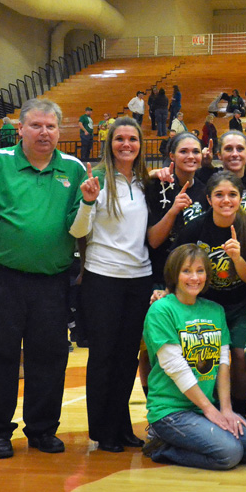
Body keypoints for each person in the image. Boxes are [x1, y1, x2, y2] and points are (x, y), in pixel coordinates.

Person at [0, 98, 98, 459]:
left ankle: (42, 430)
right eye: (35, 125)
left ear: (59, 130)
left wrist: (88, 205)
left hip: (51, 281)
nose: (43, 132)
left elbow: (77, 227)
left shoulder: (74, 168)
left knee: (49, 357)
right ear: (20, 128)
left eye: (50, 126)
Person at [71, 117, 153, 452]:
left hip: (139, 279)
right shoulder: (98, 180)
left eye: (132, 139)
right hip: (103, 278)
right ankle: (103, 431)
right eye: (119, 139)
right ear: (110, 143)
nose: (126, 145)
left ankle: (121, 425)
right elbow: (77, 231)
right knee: (103, 356)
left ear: (140, 144)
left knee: (127, 358)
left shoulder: (145, 182)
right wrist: (88, 201)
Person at [142, 244, 246, 470]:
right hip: (172, 412)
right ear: (174, 274)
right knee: (230, 454)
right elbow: (176, 367)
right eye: (186, 271)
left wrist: (226, 409)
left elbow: (223, 363)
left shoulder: (215, 310)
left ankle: (196, 433)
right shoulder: (161, 310)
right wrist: (210, 410)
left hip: (203, 407)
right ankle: (160, 444)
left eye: (200, 271)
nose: (194, 277)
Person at [175, 171, 246, 419]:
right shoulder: (196, 228)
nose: (226, 200)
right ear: (209, 199)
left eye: (232, 194)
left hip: (240, 304)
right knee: (207, 359)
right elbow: (176, 265)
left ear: (241, 198)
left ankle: (239, 413)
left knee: (241, 356)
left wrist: (237, 258)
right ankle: (208, 409)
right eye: (219, 195)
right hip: (205, 305)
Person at [145, 132, 208, 286]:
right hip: (160, 276)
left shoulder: (205, 189)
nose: (191, 156)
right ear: (172, 156)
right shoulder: (157, 186)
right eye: (183, 151)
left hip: (194, 277)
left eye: (196, 151)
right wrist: (173, 211)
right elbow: (153, 241)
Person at [195, 130, 246, 226]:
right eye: (228, 149)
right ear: (219, 155)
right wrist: (203, 164)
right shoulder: (208, 177)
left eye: (240, 149)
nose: (235, 154)